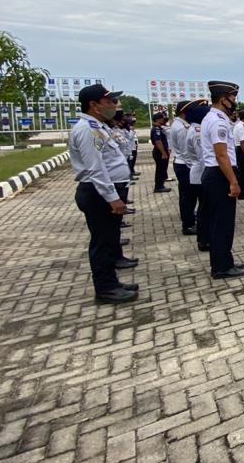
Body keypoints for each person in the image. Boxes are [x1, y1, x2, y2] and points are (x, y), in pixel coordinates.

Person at [69, 83, 138, 304]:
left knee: (108, 240)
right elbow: (96, 168)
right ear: (94, 105)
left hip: (103, 192)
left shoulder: (99, 126)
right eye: (108, 101)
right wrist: (112, 198)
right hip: (97, 194)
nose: (113, 105)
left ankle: (112, 282)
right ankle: (106, 289)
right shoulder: (88, 129)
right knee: (102, 243)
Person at [200, 80, 244, 279]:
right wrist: (233, 181)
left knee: (219, 221)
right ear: (223, 99)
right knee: (222, 223)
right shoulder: (218, 121)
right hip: (220, 174)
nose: (235, 101)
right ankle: (222, 267)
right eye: (233, 98)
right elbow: (221, 155)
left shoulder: (211, 118)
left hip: (215, 173)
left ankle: (223, 261)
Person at [185, 102, 212, 252]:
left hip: (198, 172)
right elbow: (203, 157)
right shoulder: (197, 132)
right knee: (205, 210)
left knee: (204, 209)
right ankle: (204, 240)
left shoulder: (194, 129)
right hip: (201, 174)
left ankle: (204, 238)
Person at [170, 100, 200, 233]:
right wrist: (193, 167)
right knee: (188, 196)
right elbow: (186, 152)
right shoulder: (182, 128)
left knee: (188, 195)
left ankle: (189, 218)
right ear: (183, 112)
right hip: (185, 165)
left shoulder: (180, 124)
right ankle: (188, 224)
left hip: (183, 163)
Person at [150, 111, 172, 193]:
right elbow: (158, 141)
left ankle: (161, 185)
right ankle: (158, 187)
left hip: (161, 151)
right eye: (162, 118)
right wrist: (163, 153)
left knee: (162, 169)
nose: (163, 120)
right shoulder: (156, 129)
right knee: (160, 169)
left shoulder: (159, 128)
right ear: (158, 119)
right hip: (159, 152)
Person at [233, 109, 244, 200]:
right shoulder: (241, 126)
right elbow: (243, 143)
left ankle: (243, 191)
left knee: (243, 172)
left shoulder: (239, 125)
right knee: (243, 173)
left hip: (240, 149)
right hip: (242, 150)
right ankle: (242, 193)